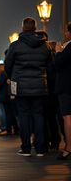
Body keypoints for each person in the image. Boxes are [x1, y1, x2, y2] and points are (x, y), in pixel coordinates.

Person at [5, 17, 52, 157]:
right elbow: (50, 66)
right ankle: (40, 148)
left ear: (23, 28)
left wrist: (14, 76)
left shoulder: (15, 46)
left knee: (24, 116)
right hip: (39, 86)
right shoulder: (45, 46)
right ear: (35, 27)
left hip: (21, 86)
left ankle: (25, 148)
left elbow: (8, 65)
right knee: (39, 115)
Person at [55, 22, 71, 160]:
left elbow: (58, 63)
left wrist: (58, 52)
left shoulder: (69, 47)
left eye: (67, 31)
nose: (65, 34)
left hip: (67, 86)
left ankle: (68, 147)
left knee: (67, 117)